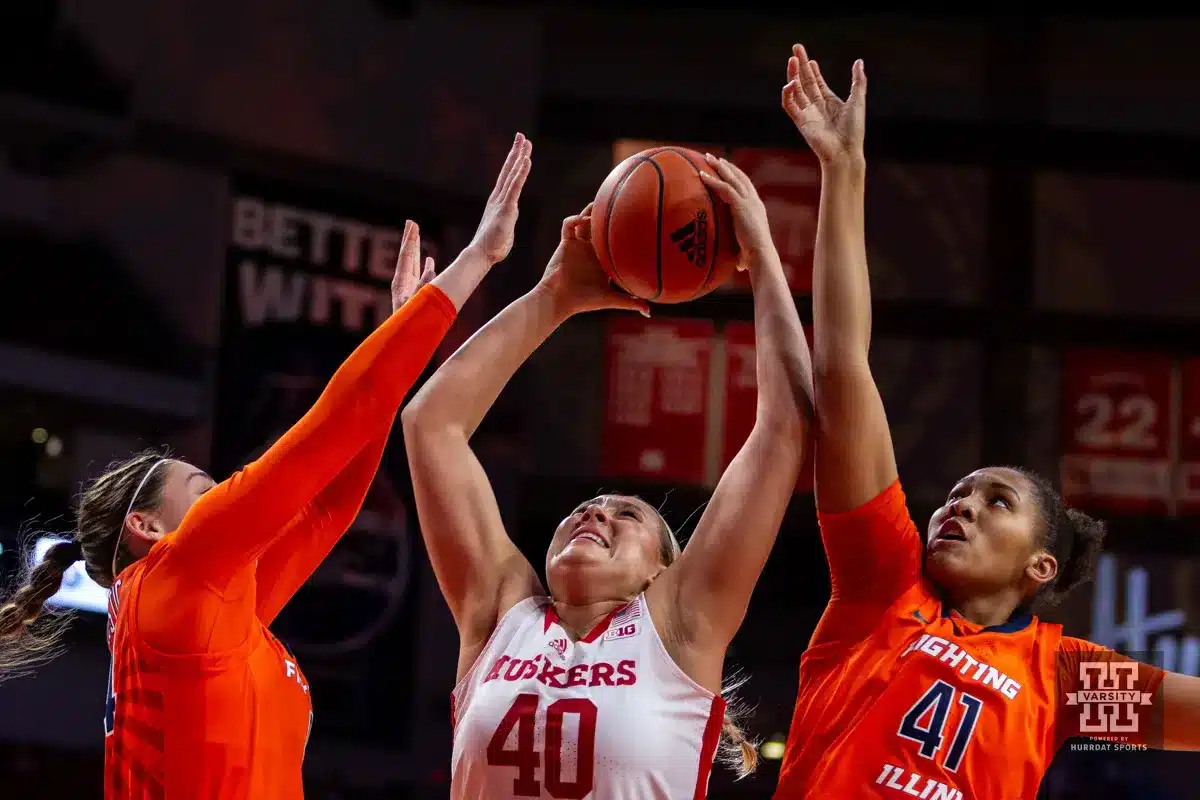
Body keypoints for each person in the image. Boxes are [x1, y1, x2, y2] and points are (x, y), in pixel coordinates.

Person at [0, 133, 533, 799]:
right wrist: (476, 259)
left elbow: (331, 506)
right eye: (205, 486)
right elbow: (330, 434)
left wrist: (398, 344)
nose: (225, 491)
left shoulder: (215, 605)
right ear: (148, 525)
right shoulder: (182, 571)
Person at [773, 44, 1200, 800]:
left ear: (1039, 567)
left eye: (995, 501)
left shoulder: (1061, 678)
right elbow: (842, 369)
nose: (959, 505)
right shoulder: (884, 585)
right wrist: (845, 173)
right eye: (961, 494)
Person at [403, 157, 813, 798]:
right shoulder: (500, 611)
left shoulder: (680, 623)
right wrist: (554, 297)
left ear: (661, 569)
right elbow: (430, 425)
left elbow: (784, 427)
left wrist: (763, 254)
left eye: (627, 515)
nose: (595, 514)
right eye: (588, 507)